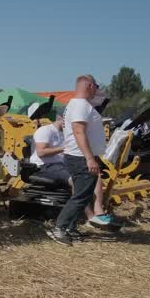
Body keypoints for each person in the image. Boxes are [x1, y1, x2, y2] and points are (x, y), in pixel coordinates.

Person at [48, 75, 107, 245]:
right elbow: (79, 132)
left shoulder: (78, 104)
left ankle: (69, 228)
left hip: (80, 156)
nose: (97, 89)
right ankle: (59, 228)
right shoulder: (80, 105)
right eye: (96, 86)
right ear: (89, 86)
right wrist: (90, 158)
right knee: (81, 195)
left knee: (84, 194)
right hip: (81, 157)